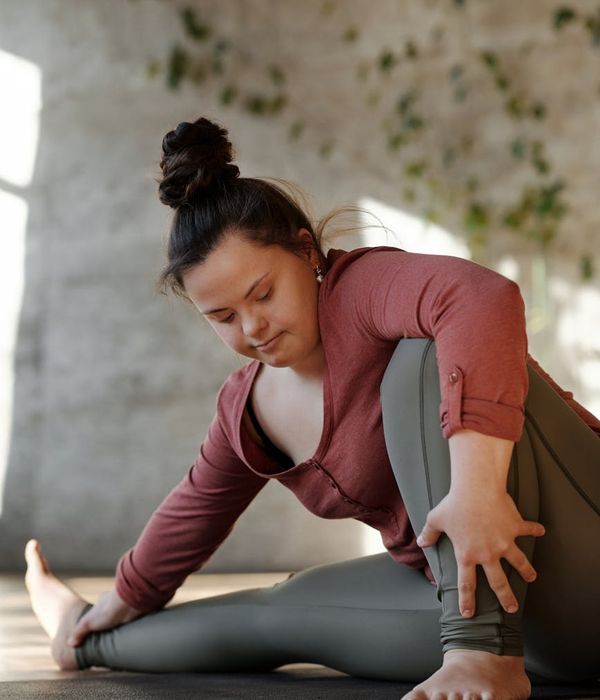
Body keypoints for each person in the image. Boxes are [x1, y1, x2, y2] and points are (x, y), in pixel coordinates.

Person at [24, 116, 600, 700]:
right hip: (525, 626)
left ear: (306, 251)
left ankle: (481, 654)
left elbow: (480, 297)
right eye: (222, 318)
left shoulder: (361, 290)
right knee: (277, 610)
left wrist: (476, 489)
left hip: (583, 554)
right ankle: (78, 635)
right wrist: (120, 600)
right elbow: (194, 511)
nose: (253, 326)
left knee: (420, 358)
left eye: (264, 293)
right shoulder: (247, 408)